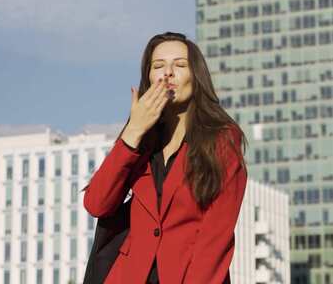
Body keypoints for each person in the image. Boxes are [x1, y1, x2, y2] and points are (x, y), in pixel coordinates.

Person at [82, 31, 248, 283]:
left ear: (197, 76)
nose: (167, 72)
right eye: (158, 65)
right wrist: (134, 130)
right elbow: (97, 203)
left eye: (180, 65)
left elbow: (215, 239)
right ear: (149, 77)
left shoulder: (222, 139)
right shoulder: (139, 139)